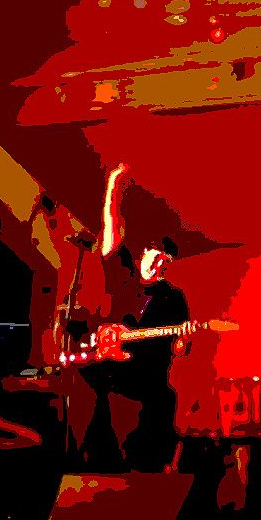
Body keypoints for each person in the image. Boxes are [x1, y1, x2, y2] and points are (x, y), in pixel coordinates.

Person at [75, 163, 197, 473]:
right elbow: (112, 229)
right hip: (113, 368)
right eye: (157, 259)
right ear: (144, 253)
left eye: (166, 264)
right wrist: (113, 186)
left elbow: (178, 349)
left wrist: (183, 342)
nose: (160, 267)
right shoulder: (123, 277)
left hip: (149, 375)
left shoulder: (174, 298)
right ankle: (94, 462)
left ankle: (150, 468)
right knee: (86, 386)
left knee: (164, 401)